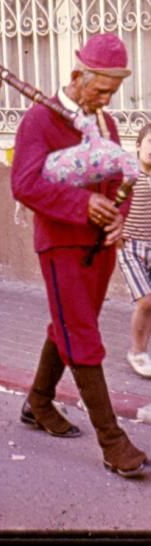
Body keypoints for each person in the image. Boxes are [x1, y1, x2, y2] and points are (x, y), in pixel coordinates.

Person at [11, 33, 150, 478]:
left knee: (68, 324)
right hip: (60, 243)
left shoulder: (104, 123)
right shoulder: (40, 120)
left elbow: (118, 177)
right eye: (101, 89)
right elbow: (25, 184)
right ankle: (112, 441)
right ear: (76, 77)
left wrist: (118, 217)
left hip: (99, 245)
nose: (107, 99)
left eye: (113, 91)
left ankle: (37, 401)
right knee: (82, 334)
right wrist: (82, 205)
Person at [117, 123, 151, 377]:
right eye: (150, 143)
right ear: (138, 145)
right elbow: (110, 204)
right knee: (146, 301)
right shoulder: (127, 175)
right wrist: (116, 229)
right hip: (131, 248)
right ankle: (137, 352)